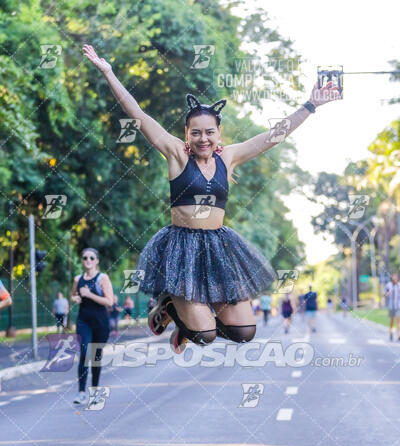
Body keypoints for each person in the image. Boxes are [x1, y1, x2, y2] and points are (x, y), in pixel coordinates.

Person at [82, 43, 340, 354]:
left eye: (209, 132)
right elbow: (136, 113)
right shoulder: (176, 153)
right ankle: (172, 309)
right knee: (204, 336)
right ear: (187, 134)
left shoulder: (228, 158)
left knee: (245, 332)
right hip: (182, 247)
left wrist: (310, 105)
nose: (203, 139)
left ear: (218, 133)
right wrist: (109, 72)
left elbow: (274, 135)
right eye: (196, 133)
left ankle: (188, 318)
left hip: (219, 247)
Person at [70, 248, 113, 405]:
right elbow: (73, 294)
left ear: (97, 261)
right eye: (85, 258)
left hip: (100, 323)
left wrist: (90, 295)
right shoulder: (77, 279)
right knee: (84, 351)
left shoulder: (103, 278)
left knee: (95, 357)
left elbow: (109, 302)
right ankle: (81, 392)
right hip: (84, 320)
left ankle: (94, 390)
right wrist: (76, 298)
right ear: (82, 260)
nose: (88, 260)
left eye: (91, 257)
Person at [385, 272, 400, 341]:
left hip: (398, 306)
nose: (395, 278)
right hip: (391, 306)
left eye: (396, 277)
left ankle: (398, 335)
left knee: (398, 320)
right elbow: (386, 294)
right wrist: (388, 293)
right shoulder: (389, 285)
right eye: (394, 277)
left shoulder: (399, 285)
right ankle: (391, 333)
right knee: (391, 321)